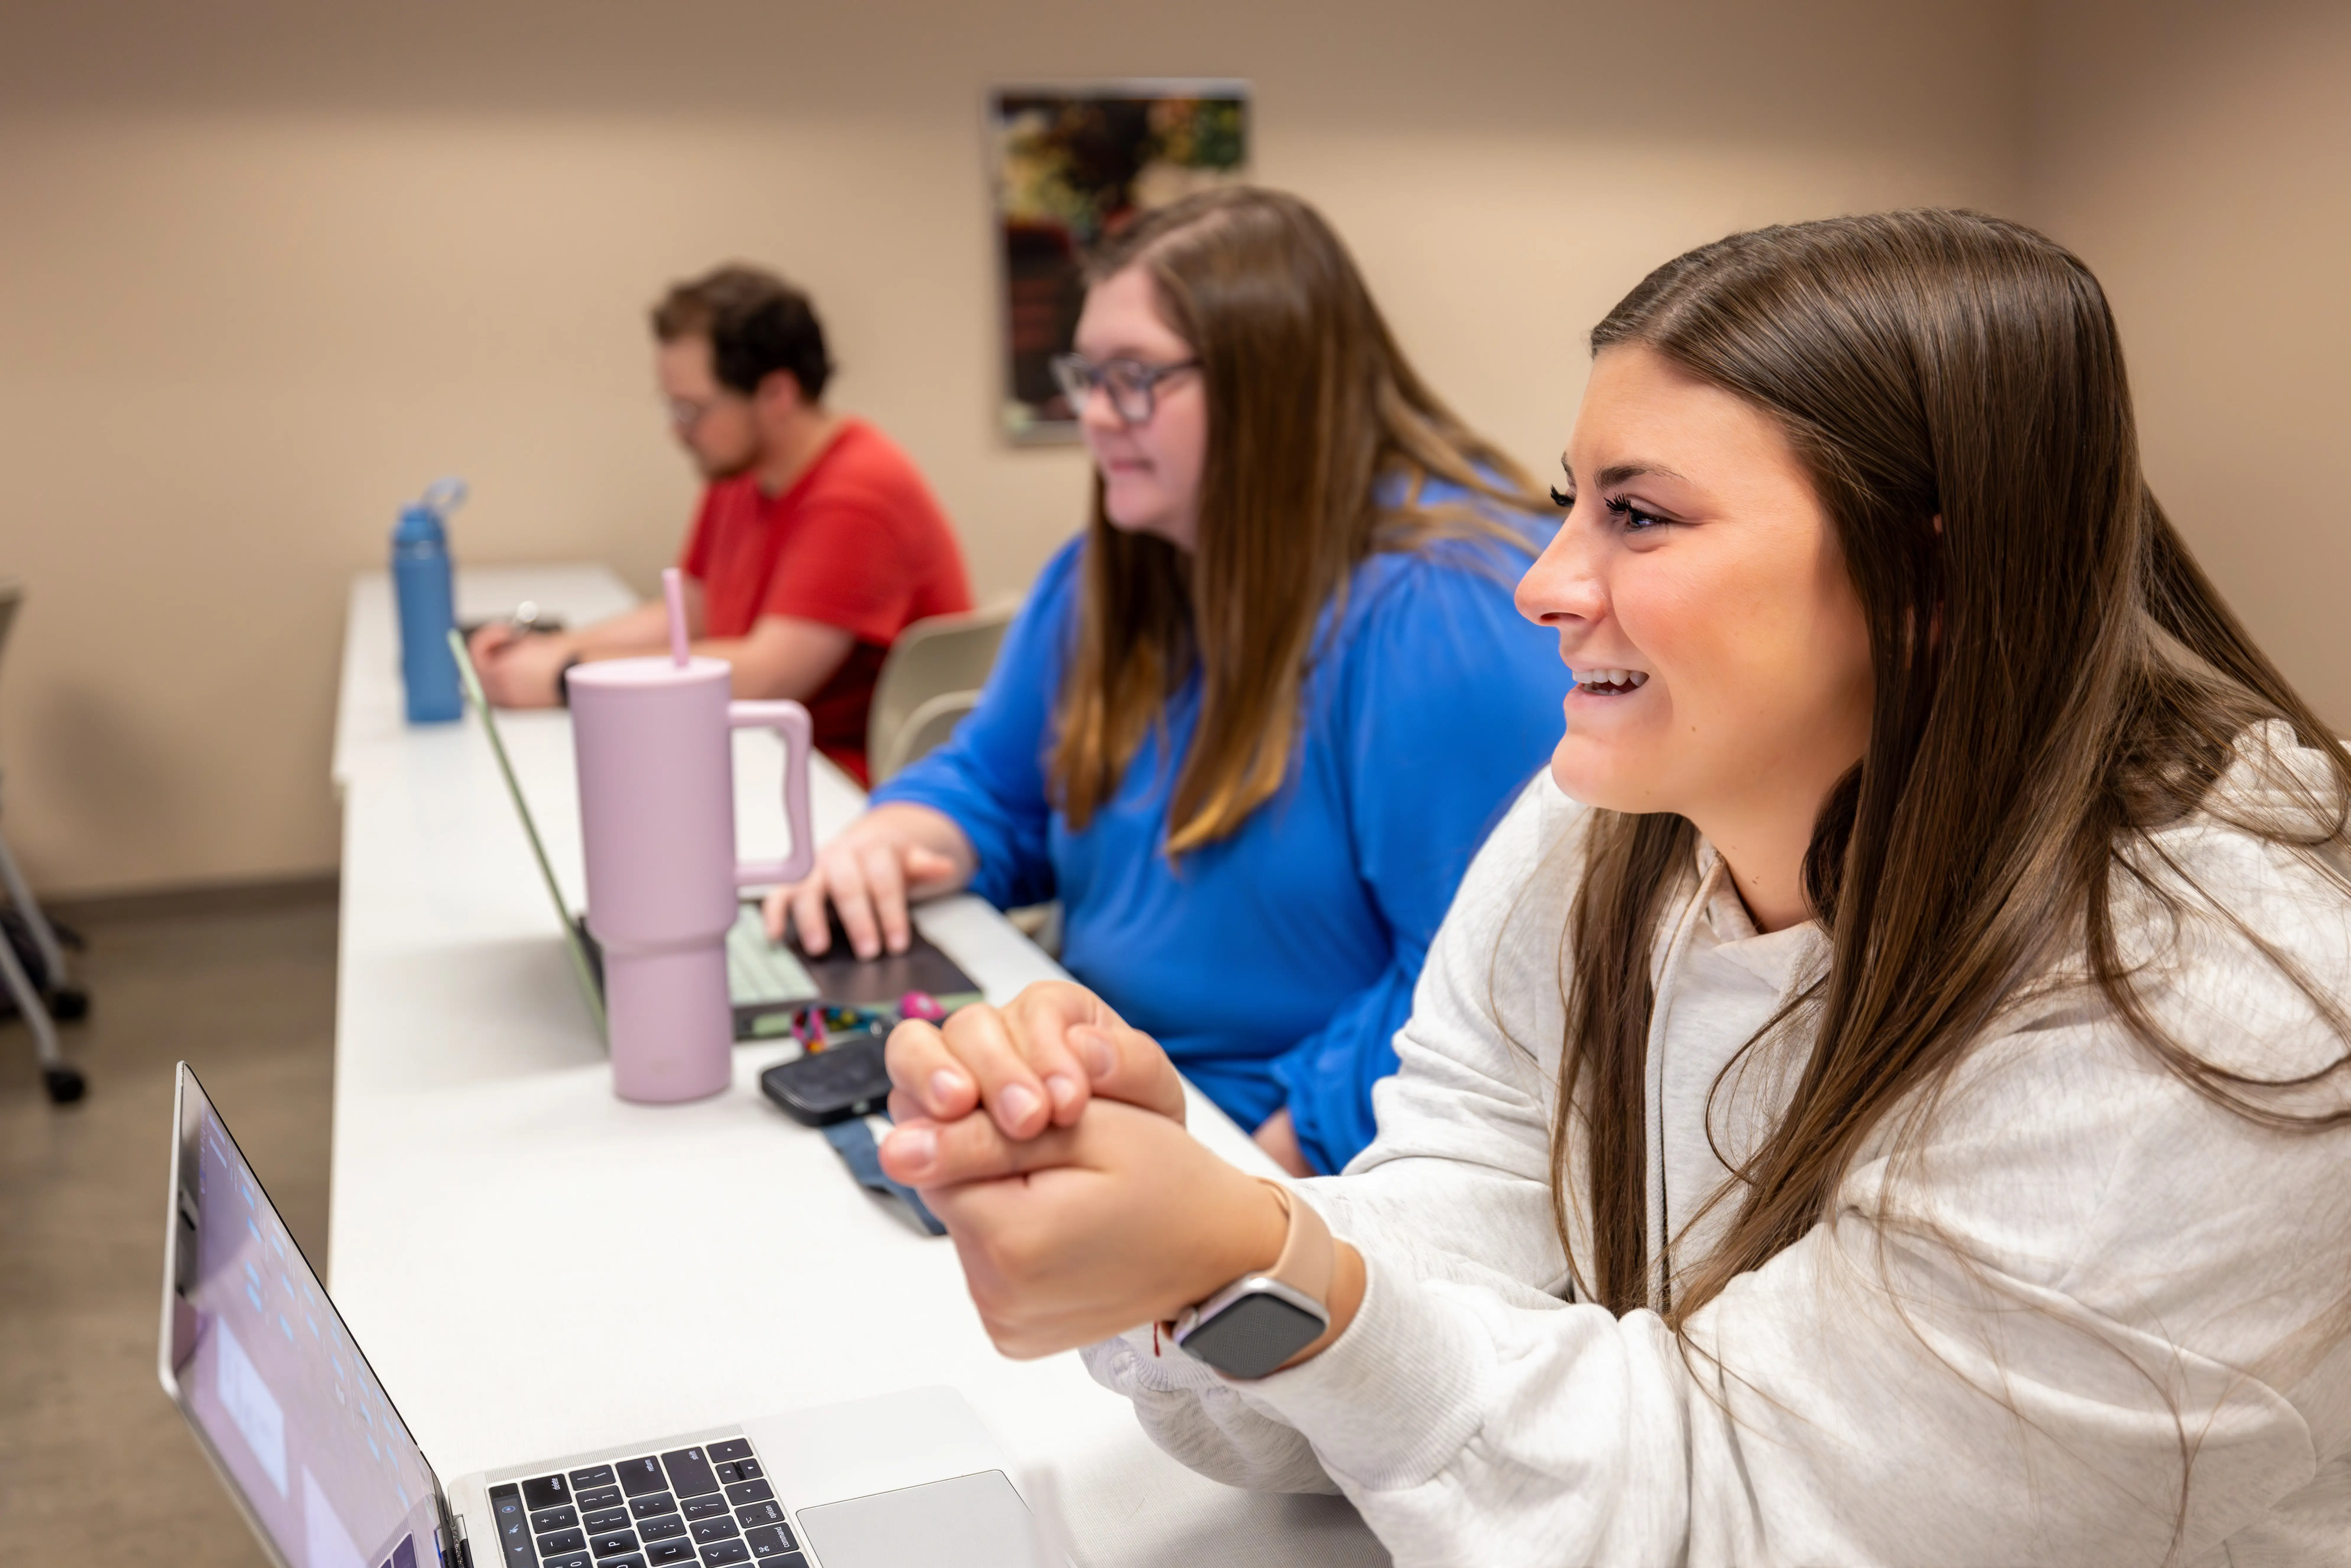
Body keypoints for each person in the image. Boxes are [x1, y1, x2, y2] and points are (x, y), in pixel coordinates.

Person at [867, 210, 2351, 1564]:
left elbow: (1758, 1516)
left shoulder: (2215, 1002)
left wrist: (1274, 1263)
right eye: (1570, 503)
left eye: (1638, 517)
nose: (1544, 583)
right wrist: (1204, 1248)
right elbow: (1457, 1221)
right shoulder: (1614, 824)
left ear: (1924, 584)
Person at [765, 188, 1572, 1177]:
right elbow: (994, 787)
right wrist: (904, 832)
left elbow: (1482, 984)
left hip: (1286, 1150)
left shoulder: (1447, 611)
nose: (1093, 414)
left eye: (1134, 377)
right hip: (1110, 1091)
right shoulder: (1115, 567)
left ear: (1269, 385)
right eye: (1087, 374)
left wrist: (1256, 1182)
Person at [468, 264, 972, 783]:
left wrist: (569, 676)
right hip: (760, 756)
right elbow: (691, 606)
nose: (677, 432)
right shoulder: (743, 471)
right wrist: (548, 650)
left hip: (835, 787)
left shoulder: (859, 492)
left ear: (777, 394)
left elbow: (768, 674)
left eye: (692, 411)